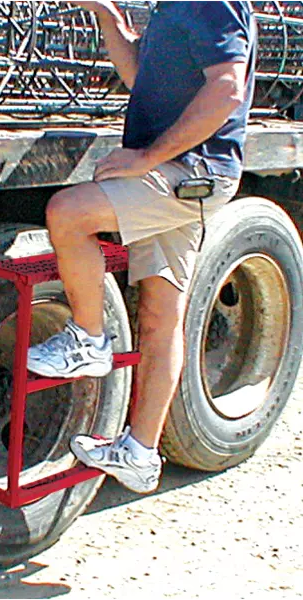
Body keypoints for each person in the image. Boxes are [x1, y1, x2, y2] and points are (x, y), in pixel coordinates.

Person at [27, 0, 257, 493]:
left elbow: (227, 88)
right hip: (182, 172)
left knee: (67, 214)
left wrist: (147, 158)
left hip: (187, 173)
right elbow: (141, 77)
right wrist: (106, 14)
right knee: (161, 315)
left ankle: (88, 339)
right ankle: (140, 453)